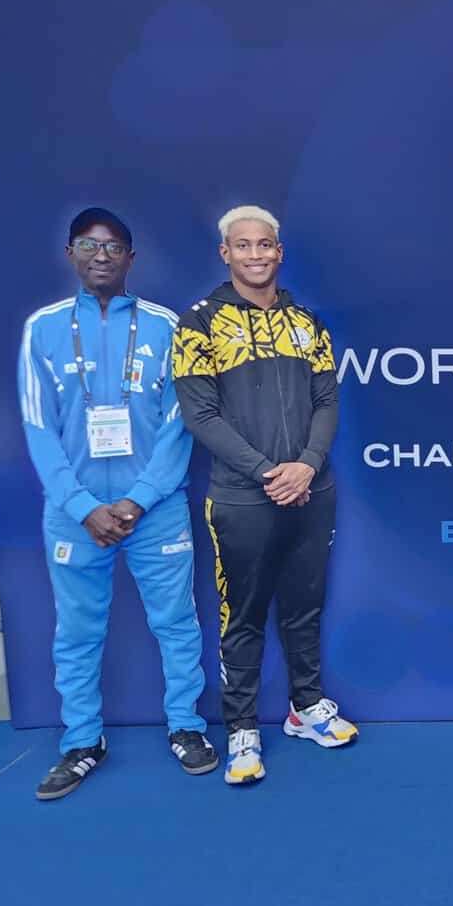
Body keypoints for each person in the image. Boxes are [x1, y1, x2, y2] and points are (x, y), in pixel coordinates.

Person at [18, 208, 215, 800]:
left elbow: (182, 423)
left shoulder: (167, 326)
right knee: (77, 633)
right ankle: (82, 741)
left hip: (154, 512)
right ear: (70, 253)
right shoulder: (44, 328)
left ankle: (187, 727)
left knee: (177, 624)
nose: (101, 255)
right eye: (88, 245)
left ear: (133, 257)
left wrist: (138, 498)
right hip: (75, 516)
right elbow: (36, 427)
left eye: (113, 247)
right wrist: (82, 506)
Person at [172, 204, 356, 786]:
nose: (256, 255)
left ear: (280, 251)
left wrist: (305, 466)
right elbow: (199, 415)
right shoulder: (198, 325)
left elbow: (327, 401)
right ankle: (243, 728)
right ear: (225, 253)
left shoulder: (308, 323)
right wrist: (267, 472)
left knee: (304, 609)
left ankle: (306, 710)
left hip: (312, 490)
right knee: (243, 617)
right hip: (240, 496)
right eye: (243, 245)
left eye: (265, 245)